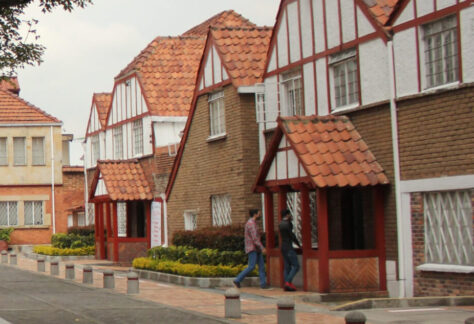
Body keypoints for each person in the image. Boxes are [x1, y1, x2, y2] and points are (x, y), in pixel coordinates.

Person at [233, 209, 271, 289]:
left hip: (256, 248)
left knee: (261, 266)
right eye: (259, 214)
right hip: (252, 248)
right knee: (251, 266)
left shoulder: (253, 223)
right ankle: (238, 279)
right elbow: (255, 238)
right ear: (255, 214)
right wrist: (262, 248)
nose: (260, 215)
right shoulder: (251, 224)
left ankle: (263, 284)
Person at [279, 209, 301, 291]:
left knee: (287, 266)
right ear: (287, 215)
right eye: (290, 214)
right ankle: (288, 282)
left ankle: (287, 284)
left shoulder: (280, 223)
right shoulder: (288, 224)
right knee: (296, 266)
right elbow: (292, 235)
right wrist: (298, 244)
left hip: (283, 247)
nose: (291, 216)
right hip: (289, 247)